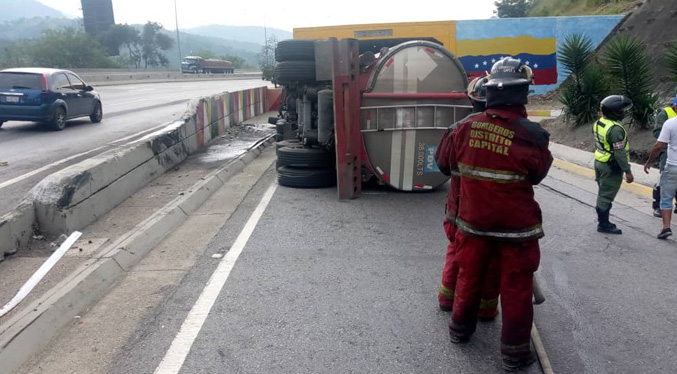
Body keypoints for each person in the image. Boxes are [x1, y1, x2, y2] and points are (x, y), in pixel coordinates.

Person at [445, 57, 553, 371]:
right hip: (517, 231)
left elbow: (445, 165)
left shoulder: (463, 128)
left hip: (473, 224)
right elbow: (537, 174)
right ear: (523, 95)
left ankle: (459, 331)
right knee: (517, 289)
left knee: (468, 277)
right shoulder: (532, 134)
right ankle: (515, 354)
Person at [436, 74, 500, 321]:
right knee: (491, 262)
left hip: (459, 210)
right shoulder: (510, 130)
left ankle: (446, 299)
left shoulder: (456, 129)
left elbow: (441, 166)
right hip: (494, 215)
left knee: (456, 254)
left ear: (471, 99)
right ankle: (485, 309)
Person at [593, 95, 634, 235]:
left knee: (603, 193)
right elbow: (620, 153)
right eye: (621, 110)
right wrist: (627, 171)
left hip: (599, 161)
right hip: (611, 166)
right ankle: (604, 224)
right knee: (606, 196)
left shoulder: (600, 123)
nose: (624, 112)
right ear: (615, 112)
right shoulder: (615, 129)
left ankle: (604, 221)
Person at [644, 113, 677, 239]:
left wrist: (649, 161)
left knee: (666, 198)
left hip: (673, 167)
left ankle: (666, 227)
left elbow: (658, 146)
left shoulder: (670, 123)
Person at [651, 95, 677, 217]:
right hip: (667, 152)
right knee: (664, 180)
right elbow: (657, 132)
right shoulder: (665, 114)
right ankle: (658, 207)